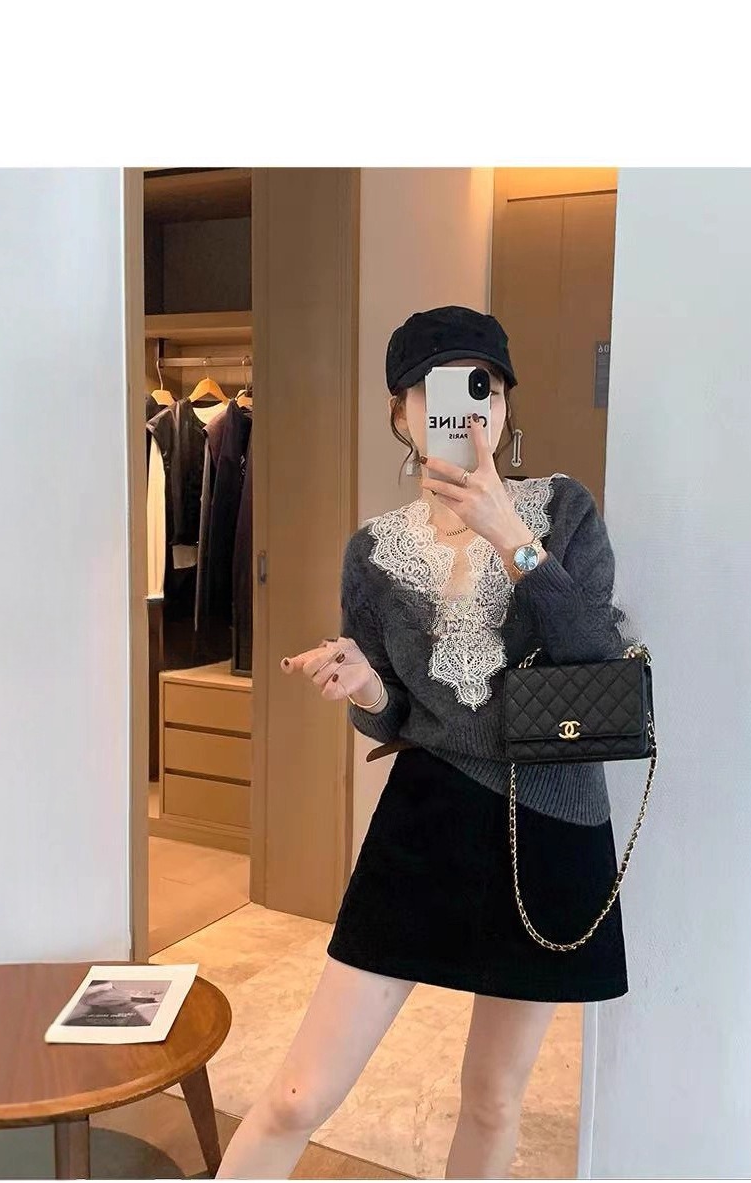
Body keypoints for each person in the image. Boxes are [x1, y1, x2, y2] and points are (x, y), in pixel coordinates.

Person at [216, 306, 630, 1180]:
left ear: (507, 405)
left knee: (493, 1099)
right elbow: (394, 714)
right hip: (426, 818)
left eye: (488, 388)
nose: (469, 410)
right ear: (402, 414)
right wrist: (365, 688)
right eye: (439, 393)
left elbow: (595, 654)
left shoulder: (562, 510)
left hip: (548, 826)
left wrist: (511, 538)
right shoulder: (372, 552)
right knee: (296, 1097)